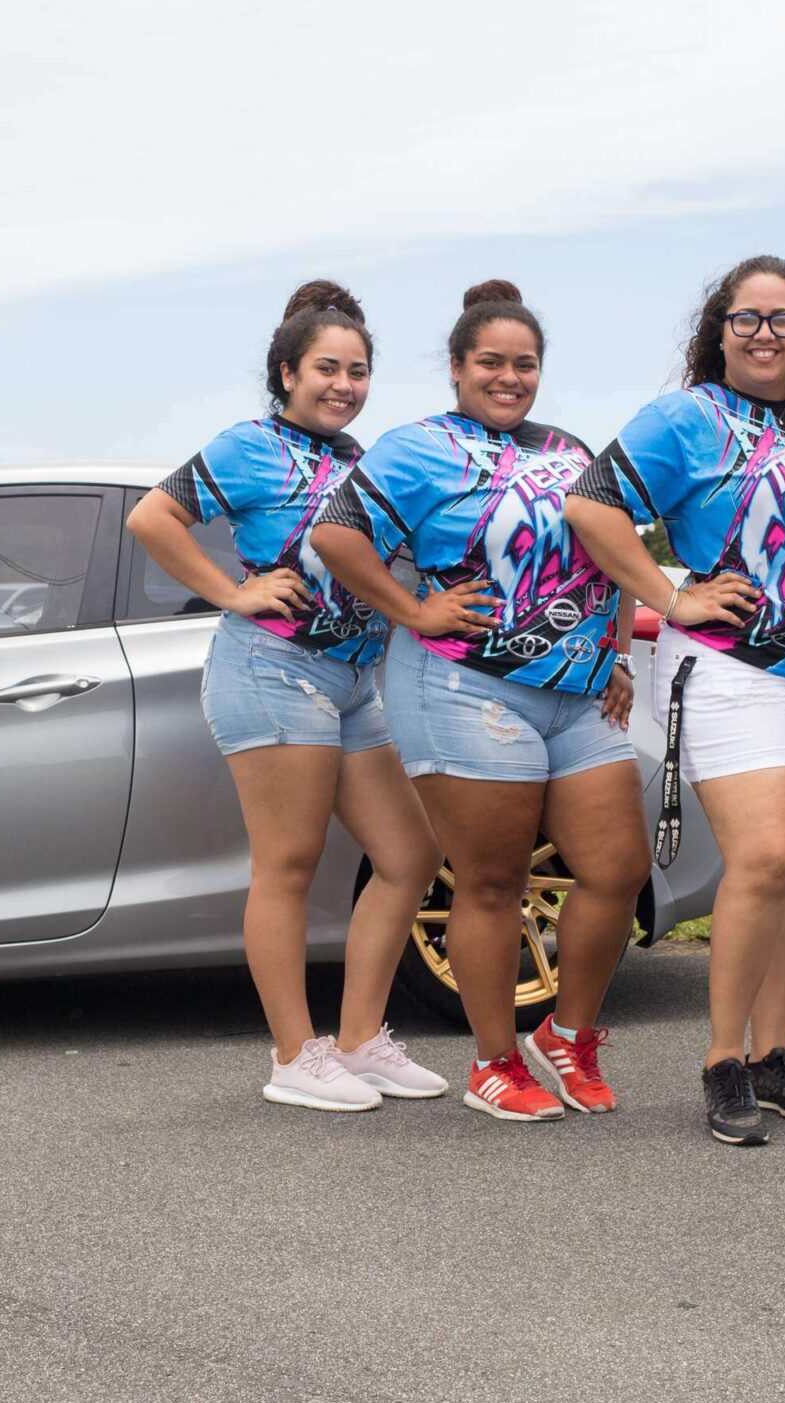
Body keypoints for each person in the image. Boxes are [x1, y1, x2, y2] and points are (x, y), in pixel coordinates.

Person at [565, 256, 785, 1147]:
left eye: (783, 319)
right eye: (747, 317)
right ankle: (724, 1062)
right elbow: (593, 506)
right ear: (718, 330)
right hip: (734, 665)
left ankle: (774, 1054)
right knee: (764, 855)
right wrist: (670, 595)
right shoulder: (685, 418)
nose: (765, 333)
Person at [310, 280, 650, 1124]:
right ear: (457, 368)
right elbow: (335, 533)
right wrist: (414, 608)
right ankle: (494, 1061)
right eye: (490, 362)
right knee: (492, 881)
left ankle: (565, 1038)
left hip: (576, 698)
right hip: (463, 687)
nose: (509, 377)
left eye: (524, 364)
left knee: (616, 870)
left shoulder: (572, 449)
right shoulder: (416, 448)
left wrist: (613, 651)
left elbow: (611, 548)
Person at [124, 280, 444, 1113]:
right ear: (287, 372)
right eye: (327, 369)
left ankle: (360, 1041)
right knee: (289, 866)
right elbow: (152, 518)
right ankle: (295, 1056)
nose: (344, 384)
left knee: (409, 857)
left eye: (359, 371)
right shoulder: (249, 445)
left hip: (351, 682)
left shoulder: (356, 461)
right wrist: (233, 591)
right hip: (273, 671)